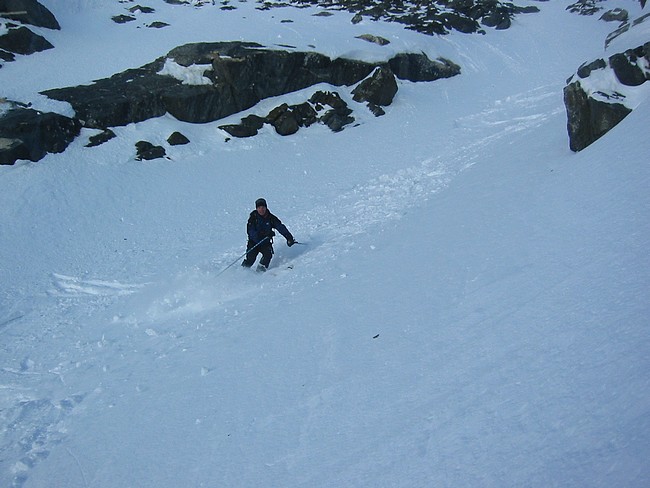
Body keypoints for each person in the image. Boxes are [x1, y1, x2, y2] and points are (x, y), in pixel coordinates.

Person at [242, 198, 295, 271]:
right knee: (250, 259)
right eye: (259, 208)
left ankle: (259, 272)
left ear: (266, 207)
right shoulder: (253, 217)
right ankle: (242, 272)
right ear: (256, 209)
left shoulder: (271, 218)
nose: (261, 210)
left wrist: (289, 238)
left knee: (268, 255)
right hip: (253, 243)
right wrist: (262, 234)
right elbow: (250, 231)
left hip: (265, 243)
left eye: (263, 207)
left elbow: (280, 227)